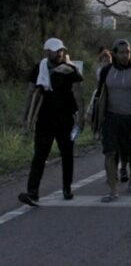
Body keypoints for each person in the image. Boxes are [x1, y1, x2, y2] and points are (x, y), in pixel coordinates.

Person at [18, 38, 85, 206]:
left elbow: (78, 94)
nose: (59, 53)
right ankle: (33, 191)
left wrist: (81, 117)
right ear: (47, 52)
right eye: (56, 51)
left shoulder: (70, 70)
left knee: (67, 154)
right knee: (40, 155)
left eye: (61, 50)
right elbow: (30, 92)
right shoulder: (39, 69)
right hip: (45, 120)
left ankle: (67, 188)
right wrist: (25, 117)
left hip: (65, 119)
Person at [92, 39, 131, 202]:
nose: (125, 55)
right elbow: (99, 95)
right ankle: (113, 189)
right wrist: (96, 120)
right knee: (110, 152)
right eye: (122, 52)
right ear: (114, 54)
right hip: (111, 117)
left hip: (130, 117)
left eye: (127, 52)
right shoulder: (106, 71)